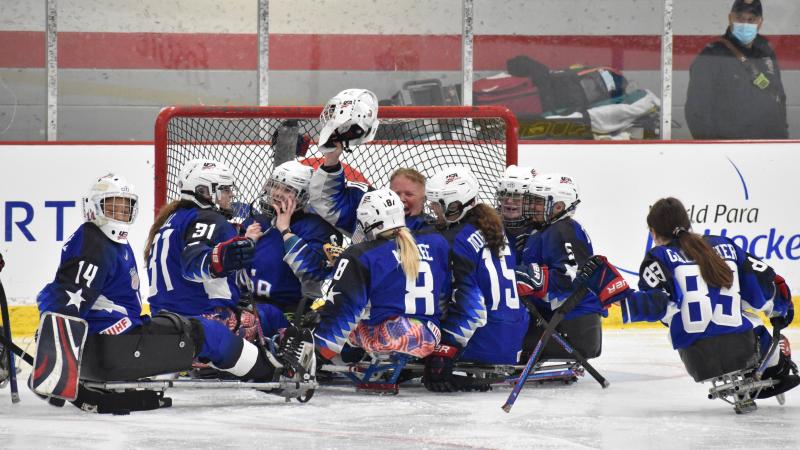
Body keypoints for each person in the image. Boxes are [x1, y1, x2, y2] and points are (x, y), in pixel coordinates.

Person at [35, 174, 310, 412]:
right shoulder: (95, 242)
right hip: (116, 346)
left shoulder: (105, 241)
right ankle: (275, 377)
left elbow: (61, 291)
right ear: (92, 208)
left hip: (112, 342)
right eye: (111, 206)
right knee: (208, 332)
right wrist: (53, 360)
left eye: (124, 207)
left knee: (201, 329)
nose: (119, 214)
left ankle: (262, 367)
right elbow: (69, 295)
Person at [586, 197, 798, 399]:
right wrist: (782, 308)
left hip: (697, 360)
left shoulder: (656, 257)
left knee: (674, 313)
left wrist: (615, 291)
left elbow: (658, 305)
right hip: (743, 348)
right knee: (744, 307)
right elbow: (762, 289)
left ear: (653, 232)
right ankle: (776, 363)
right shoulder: (724, 245)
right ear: (687, 223)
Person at [144, 160, 314, 376]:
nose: (231, 195)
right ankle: (285, 366)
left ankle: (218, 359)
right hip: (202, 319)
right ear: (205, 191)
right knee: (271, 315)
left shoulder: (172, 219)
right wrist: (222, 258)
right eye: (225, 189)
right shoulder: (209, 219)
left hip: (166, 319)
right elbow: (193, 264)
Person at [423, 166, 529, 392]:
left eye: (436, 203)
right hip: (512, 338)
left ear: (454, 205)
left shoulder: (456, 240)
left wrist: (446, 349)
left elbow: (472, 307)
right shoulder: (494, 228)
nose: (431, 208)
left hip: (481, 341)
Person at [312, 189, 450, 361]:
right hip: (429, 336)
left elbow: (345, 307)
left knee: (326, 314)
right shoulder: (436, 243)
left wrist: (320, 351)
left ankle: (326, 355)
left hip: (390, 338)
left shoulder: (362, 254)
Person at [308, 88, 432, 235]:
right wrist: (332, 158)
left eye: (409, 194)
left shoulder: (431, 230)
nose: (401, 199)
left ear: (424, 198)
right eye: (396, 193)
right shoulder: (368, 211)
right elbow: (325, 201)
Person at [517, 173, 604, 361]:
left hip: (574, 330)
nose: (533, 206)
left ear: (559, 206)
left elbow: (570, 280)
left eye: (539, 202)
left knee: (507, 339)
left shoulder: (563, 230)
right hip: (558, 322)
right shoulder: (544, 230)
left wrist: (531, 278)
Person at [244, 160, 343, 315]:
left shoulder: (318, 228)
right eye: (275, 185)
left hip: (286, 312)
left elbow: (315, 272)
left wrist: (285, 232)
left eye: (287, 189)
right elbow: (233, 272)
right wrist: (246, 243)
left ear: (303, 195)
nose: (277, 193)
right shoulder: (256, 222)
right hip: (246, 303)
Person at [685, 0, 788, 139]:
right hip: (730, 150)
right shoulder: (712, 55)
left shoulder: (766, 50)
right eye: (740, 18)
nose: (745, 24)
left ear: (760, 22)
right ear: (730, 18)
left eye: (751, 19)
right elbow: (696, 111)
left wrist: (783, 137)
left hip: (769, 148)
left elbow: (779, 96)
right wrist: (713, 149)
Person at [495, 165, 539, 263]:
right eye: (504, 194)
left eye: (517, 195)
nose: (509, 201)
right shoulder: (486, 225)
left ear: (531, 199)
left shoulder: (544, 230)